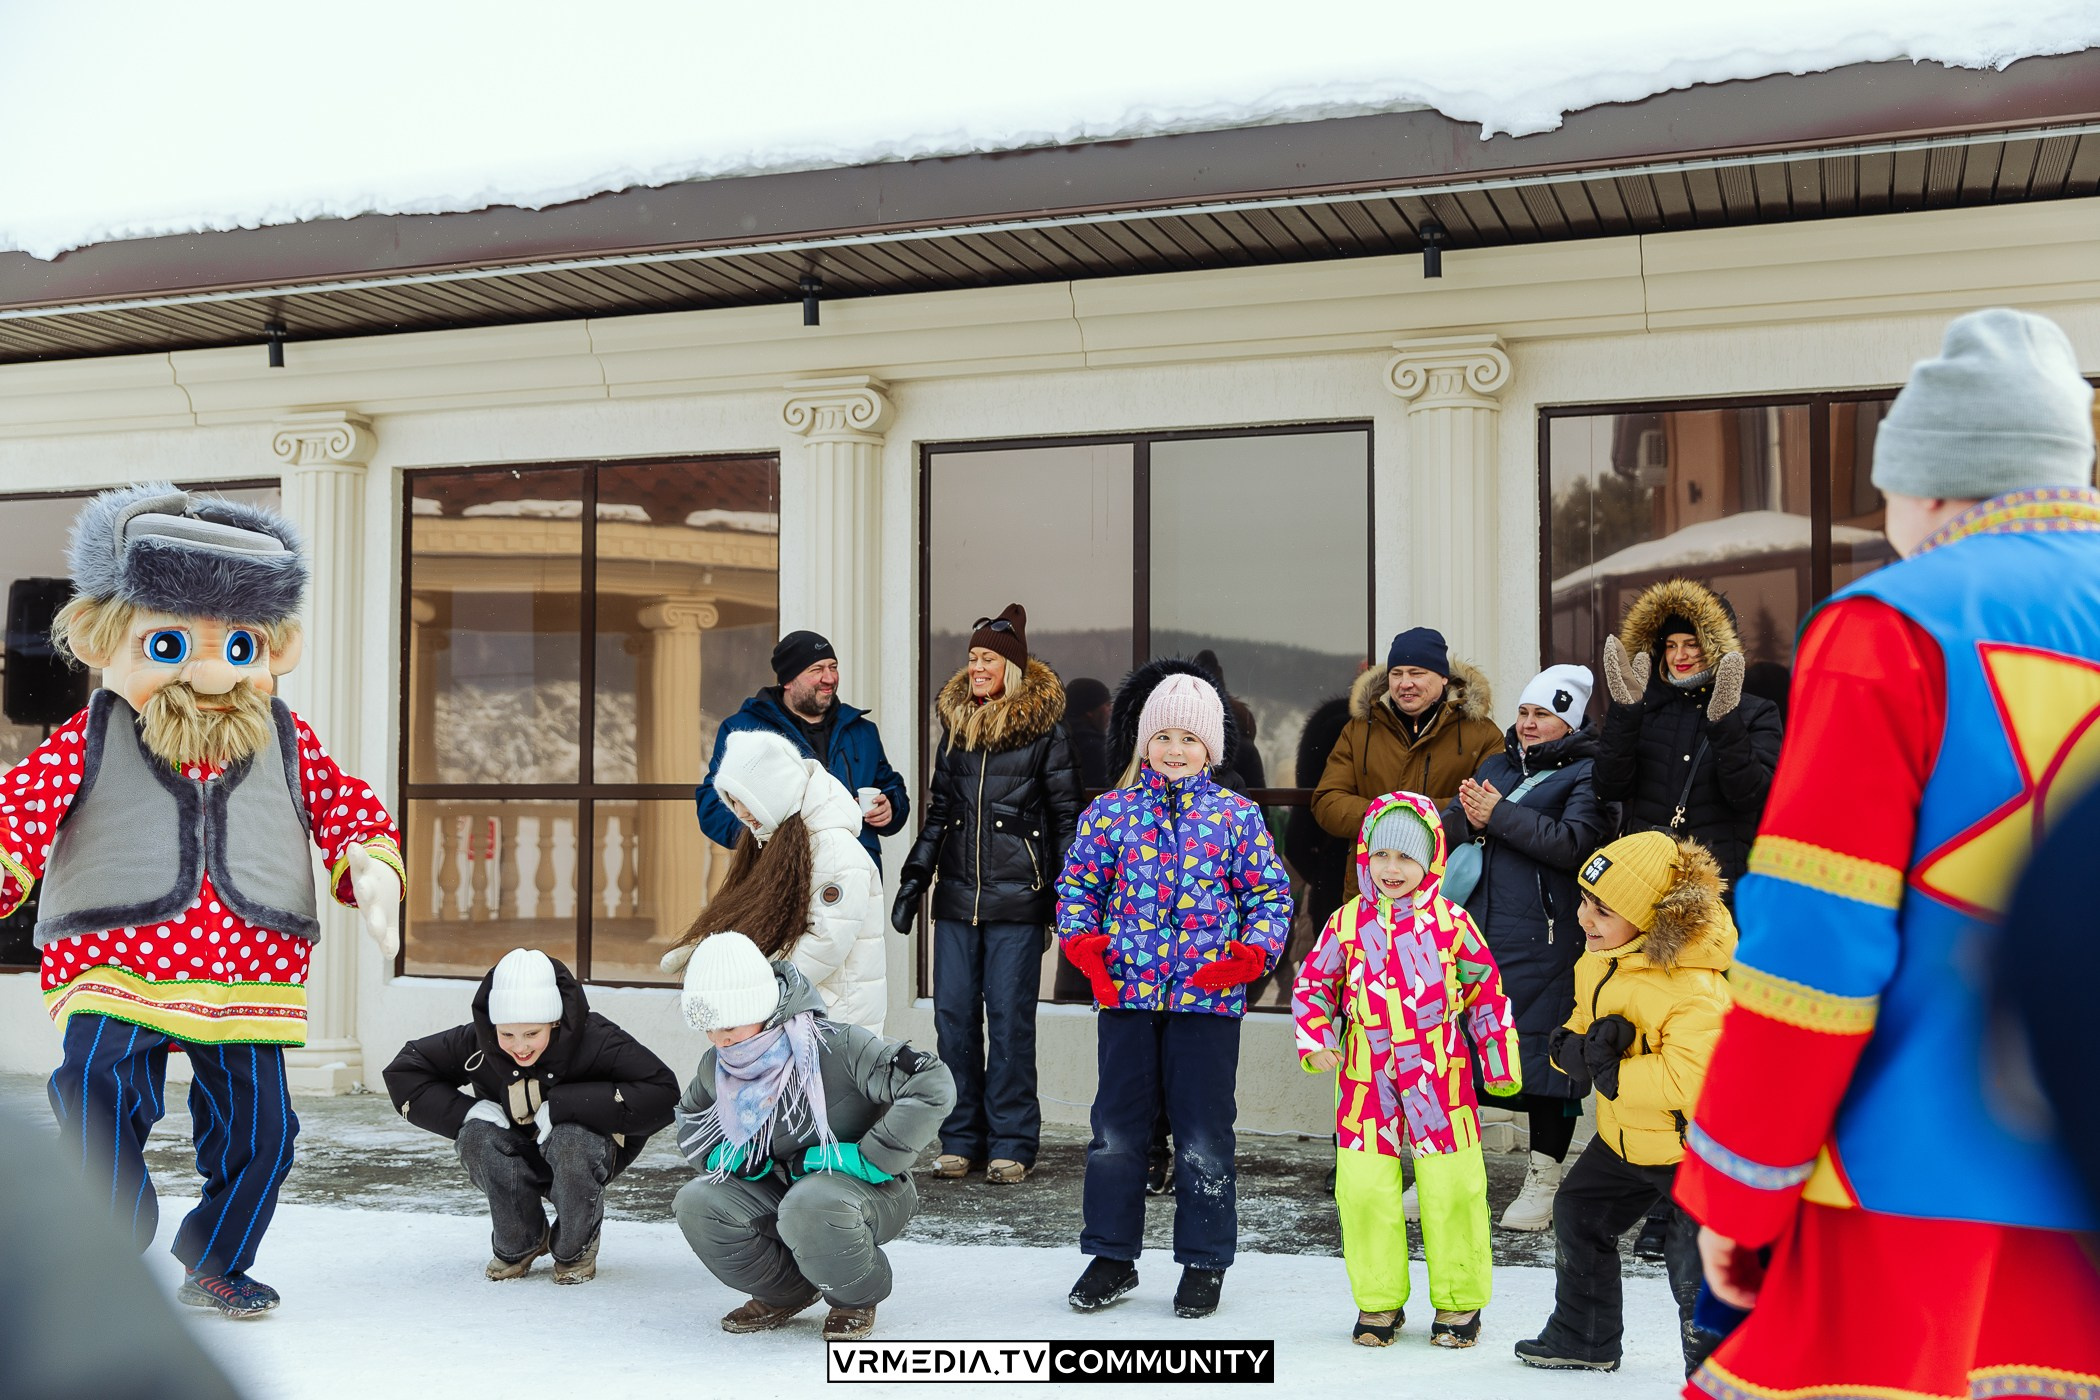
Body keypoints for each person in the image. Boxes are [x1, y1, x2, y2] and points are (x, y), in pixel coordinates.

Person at [1675, 309, 2100, 1399]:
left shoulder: (1889, 627)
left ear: (1939, 486)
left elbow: (1814, 945)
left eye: (1893, 492)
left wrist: (1739, 1187)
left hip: (1906, 1190)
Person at [14, 484, 403, 1319]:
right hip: (116, 957)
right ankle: (102, 1252)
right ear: (103, 637)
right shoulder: (90, 736)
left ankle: (219, 1259)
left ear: (273, 647)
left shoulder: (288, 739)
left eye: (237, 643)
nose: (211, 668)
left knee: (263, 1133)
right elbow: (21, 806)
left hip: (248, 963)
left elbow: (348, 809)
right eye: (168, 642)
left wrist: (370, 871)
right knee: (100, 1098)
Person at [1056, 669, 1293, 1320]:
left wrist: (1251, 954)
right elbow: (1078, 889)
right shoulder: (1111, 813)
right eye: (1163, 736)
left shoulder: (1236, 818)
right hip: (1128, 997)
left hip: (1206, 1005)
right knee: (1116, 1134)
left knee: (1202, 1135)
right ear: (1143, 743)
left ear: (1211, 747)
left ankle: (1203, 1261)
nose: (1175, 748)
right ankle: (1110, 1256)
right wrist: (1084, 946)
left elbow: (1270, 897)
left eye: (1189, 737)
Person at [1295, 790, 1521, 1349]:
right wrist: (1318, 1036)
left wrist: (1497, 1061)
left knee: (1454, 1190)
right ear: (1366, 856)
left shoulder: (1452, 924)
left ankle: (1458, 1302)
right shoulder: (1346, 923)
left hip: (1438, 1076)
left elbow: (1486, 994)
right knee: (1365, 1190)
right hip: (1366, 1078)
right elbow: (1314, 984)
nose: (1392, 870)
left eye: (1407, 858)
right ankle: (1378, 1303)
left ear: (1431, 860)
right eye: (1381, 856)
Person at [1514, 831, 1734, 1374]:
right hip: (1624, 1137)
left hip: (1692, 1150)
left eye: (1602, 909)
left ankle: (1718, 1371)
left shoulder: (1694, 988)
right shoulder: (1603, 956)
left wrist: (1612, 1072)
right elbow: (1583, 1025)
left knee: (1694, 1264)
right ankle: (1582, 1337)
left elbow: (1692, 1080)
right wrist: (1572, 1049)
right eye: (1585, 901)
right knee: (1579, 1212)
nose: (1584, 918)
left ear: (1648, 917)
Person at [670, 932, 956, 1343]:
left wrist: (870, 1159)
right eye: (708, 1029)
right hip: (778, 1188)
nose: (720, 1041)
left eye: (728, 1026)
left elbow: (932, 1082)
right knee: (697, 1201)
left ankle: (854, 1297)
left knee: (811, 1202)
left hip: (867, 1192)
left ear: (762, 1008)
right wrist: (720, 1156)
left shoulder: (837, 1045)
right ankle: (784, 1291)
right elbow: (692, 1115)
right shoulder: (718, 1062)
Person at [891, 604, 1081, 1184]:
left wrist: (1068, 900)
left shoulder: (1045, 736)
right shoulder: (956, 732)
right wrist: (913, 880)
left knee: (1009, 1022)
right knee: (952, 1021)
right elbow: (939, 815)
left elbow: (1067, 821)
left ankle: (1013, 1143)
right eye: (972, 657)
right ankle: (960, 1139)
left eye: (988, 659)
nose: (976, 667)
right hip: (955, 901)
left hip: (1017, 903)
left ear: (1012, 669)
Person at [383, 948, 678, 1283]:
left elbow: (663, 1092)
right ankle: (521, 1241)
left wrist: (570, 1105)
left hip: (585, 1152)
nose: (519, 1046)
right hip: (517, 1149)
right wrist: (462, 1111)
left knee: (570, 1139)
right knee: (476, 1136)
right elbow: (405, 1070)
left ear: (554, 1022)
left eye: (531, 1034)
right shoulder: (479, 1042)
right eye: (507, 1034)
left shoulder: (598, 1039)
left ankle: (574, 1250)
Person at [1442, 663, 1609, 1232]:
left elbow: (1577, 845)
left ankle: (1542, 1181)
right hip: (1477, 936)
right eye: (1524, 712)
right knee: (1464, 1058)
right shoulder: (1496, 764)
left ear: (1570, 722)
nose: (1529, 724)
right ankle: (1453, 1174)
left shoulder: (1589, 773)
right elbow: (1459, 829)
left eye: (1543, 715)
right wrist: (1461, 818)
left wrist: (1499, 814)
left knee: (1544, 1060)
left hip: (1546, 940)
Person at [664, 729, 886, 1032]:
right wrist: (708, 950)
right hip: (802, 1013)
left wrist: (759, 988)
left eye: (745, 800)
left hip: (834, 1022)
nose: (740, 813)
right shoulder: (776, 840)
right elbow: (760, 919)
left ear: (774, 791)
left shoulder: (833, 849)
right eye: (732, 801)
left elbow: (826, 942)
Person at [1596, 577, 1783, 893]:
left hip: (1718, 882)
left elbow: (1750, 795)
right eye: (1670, 645)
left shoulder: (1756, 712)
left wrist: (1724, 720)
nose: (1679, 656)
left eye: (1691, 643)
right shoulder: (1647, 709)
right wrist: (1625, 712)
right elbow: (1609, 786)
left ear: (1715, 646)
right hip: (1649, 880)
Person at [698, 630, 909, 870]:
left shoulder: (862, 731)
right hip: (778, 877)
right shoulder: (745, 730)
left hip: (854, 878)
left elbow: (890, 786)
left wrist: (891, 807)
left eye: (833, 667)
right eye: (816, 670)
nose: (829, 678)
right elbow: (712, 805)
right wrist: (764, 835)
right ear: (788, 680)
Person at [1312, 627, 1497, 847]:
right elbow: (1327, 802)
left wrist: (1411, 813)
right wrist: (1388, 815)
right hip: (1375, 875)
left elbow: (1486, 805)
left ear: (1443, 677)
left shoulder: (1482, 733)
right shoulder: (1359, 730)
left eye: (1416, 673)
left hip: (1448, 875)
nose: (1405, 683)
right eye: (1396, 674)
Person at [1064, 676, 1114, 789]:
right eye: (1106, 705)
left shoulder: (1053, 740)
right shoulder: (1096, 749)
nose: (1110, 710)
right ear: (1090, 710)